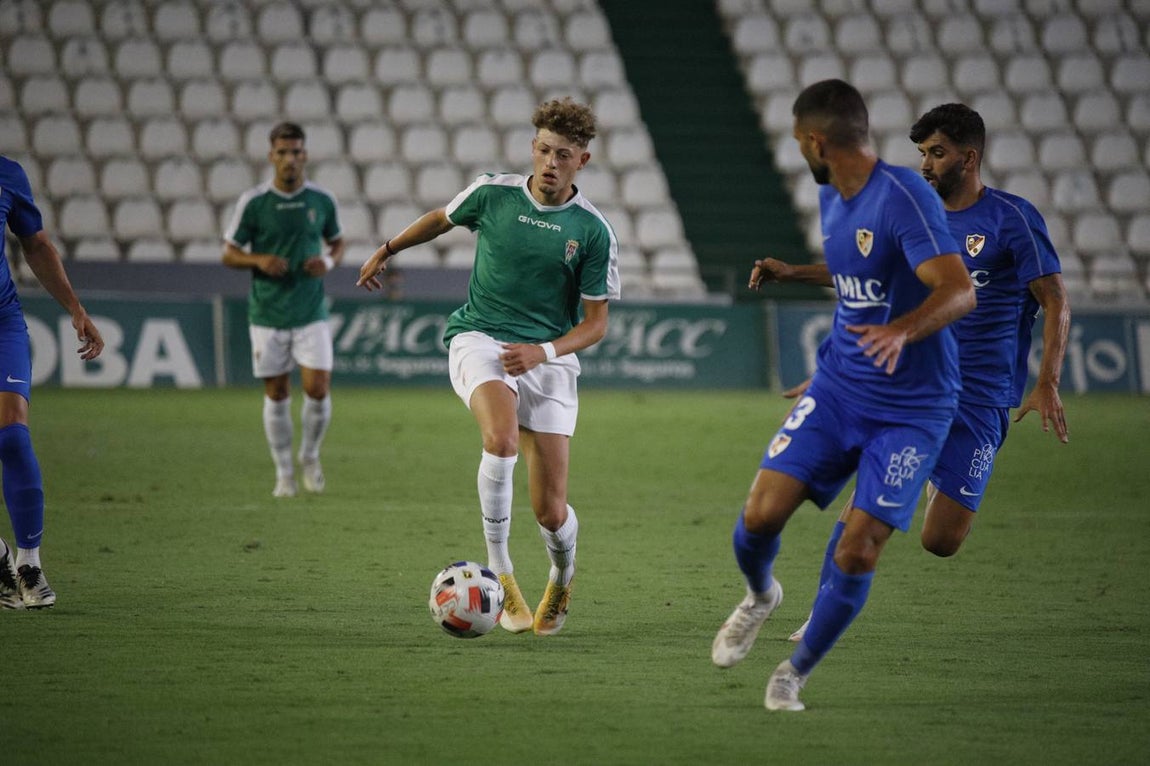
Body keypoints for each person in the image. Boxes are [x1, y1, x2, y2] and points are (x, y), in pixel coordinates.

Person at [754, 104, 1071, 644]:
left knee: (941, 541)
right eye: (923, 153)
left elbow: (1056, 299)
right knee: (864, 505)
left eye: (938, 153)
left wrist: (1047, 382)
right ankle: (822, 612)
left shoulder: (1011, 219)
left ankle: (935, 478)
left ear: (968, 159)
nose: (926, 164)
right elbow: (865, 271)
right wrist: (794, 272)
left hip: (982, 396)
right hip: (914, 387)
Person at [709, 80, 975, 711]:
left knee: (859, 547)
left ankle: (794, 672)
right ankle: (760, 596)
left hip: (912, 411)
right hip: (839, 391)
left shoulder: (903, 195)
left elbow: (960, 289)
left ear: (814, 140)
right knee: (758, 518)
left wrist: (902, 329)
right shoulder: (833, 195)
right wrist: (794, 273)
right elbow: (862, 268)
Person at [357, 97, 619, 636]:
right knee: (499, 440)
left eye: (563, 154)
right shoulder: (493, 192)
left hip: (546, 360)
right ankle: (502, 574)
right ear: (533, 148)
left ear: (582, 162)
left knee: (550, 511)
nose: (550, 162)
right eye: (544, 150)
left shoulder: (592, 232)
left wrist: (543, 353)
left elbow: (596, 325)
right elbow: (440, 219)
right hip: (480, 337)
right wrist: (387, 249)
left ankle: (562, 576)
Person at [0, 155, 104, 610]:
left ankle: (29, 563)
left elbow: (36, 244)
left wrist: (75, 309)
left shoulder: (8, 173)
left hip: (1, 321)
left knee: (12, 435)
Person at [223, 122, 344, 498]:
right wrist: (258, 260)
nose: (290, 159)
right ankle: (283, 472)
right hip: (268, 312)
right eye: (283, 152)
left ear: (305, 155)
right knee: (276, 392)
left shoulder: (322, 201)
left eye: (296, 152)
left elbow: (337, 243)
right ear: (271, 156)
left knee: (318, 387)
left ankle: (309, 455)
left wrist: (327, 262)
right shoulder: (255, 202)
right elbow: (229, 252)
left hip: (310, 311)